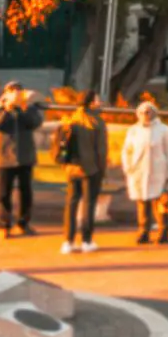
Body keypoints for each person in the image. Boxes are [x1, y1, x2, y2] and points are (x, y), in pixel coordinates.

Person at [0, 84, 43, 237]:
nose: (15, 94)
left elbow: (35, 122)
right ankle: (4, 225)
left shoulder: (28, 109)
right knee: (4, 193)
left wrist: (24, 107)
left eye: (18, 91)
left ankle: (24, 223)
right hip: (5, 157)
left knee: (26, 192)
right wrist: (6, 110)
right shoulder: (0, 110)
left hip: (25, 156)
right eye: (12, 92)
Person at [56, 90, 109, 253]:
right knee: (88, 204)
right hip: (90, 169)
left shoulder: (72, 119)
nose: (99, 102)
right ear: (91, 103)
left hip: (72, 169)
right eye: (97, 100)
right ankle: (86, 241)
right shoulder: (97, 122)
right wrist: (101, 170)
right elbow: (101, 151)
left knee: (71, 204)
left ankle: (68, 241)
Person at [124, 95, 168, 244]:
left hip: (158, 171)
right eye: (143, 112)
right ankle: (143, 231)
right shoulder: (133, 131)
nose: (146, 115)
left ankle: (163, 231)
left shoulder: (164, 130)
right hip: (139, 171)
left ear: (154, 113)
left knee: (160, 203)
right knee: (142, 202)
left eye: (149, 112)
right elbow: (127, 151)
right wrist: (128, 167)